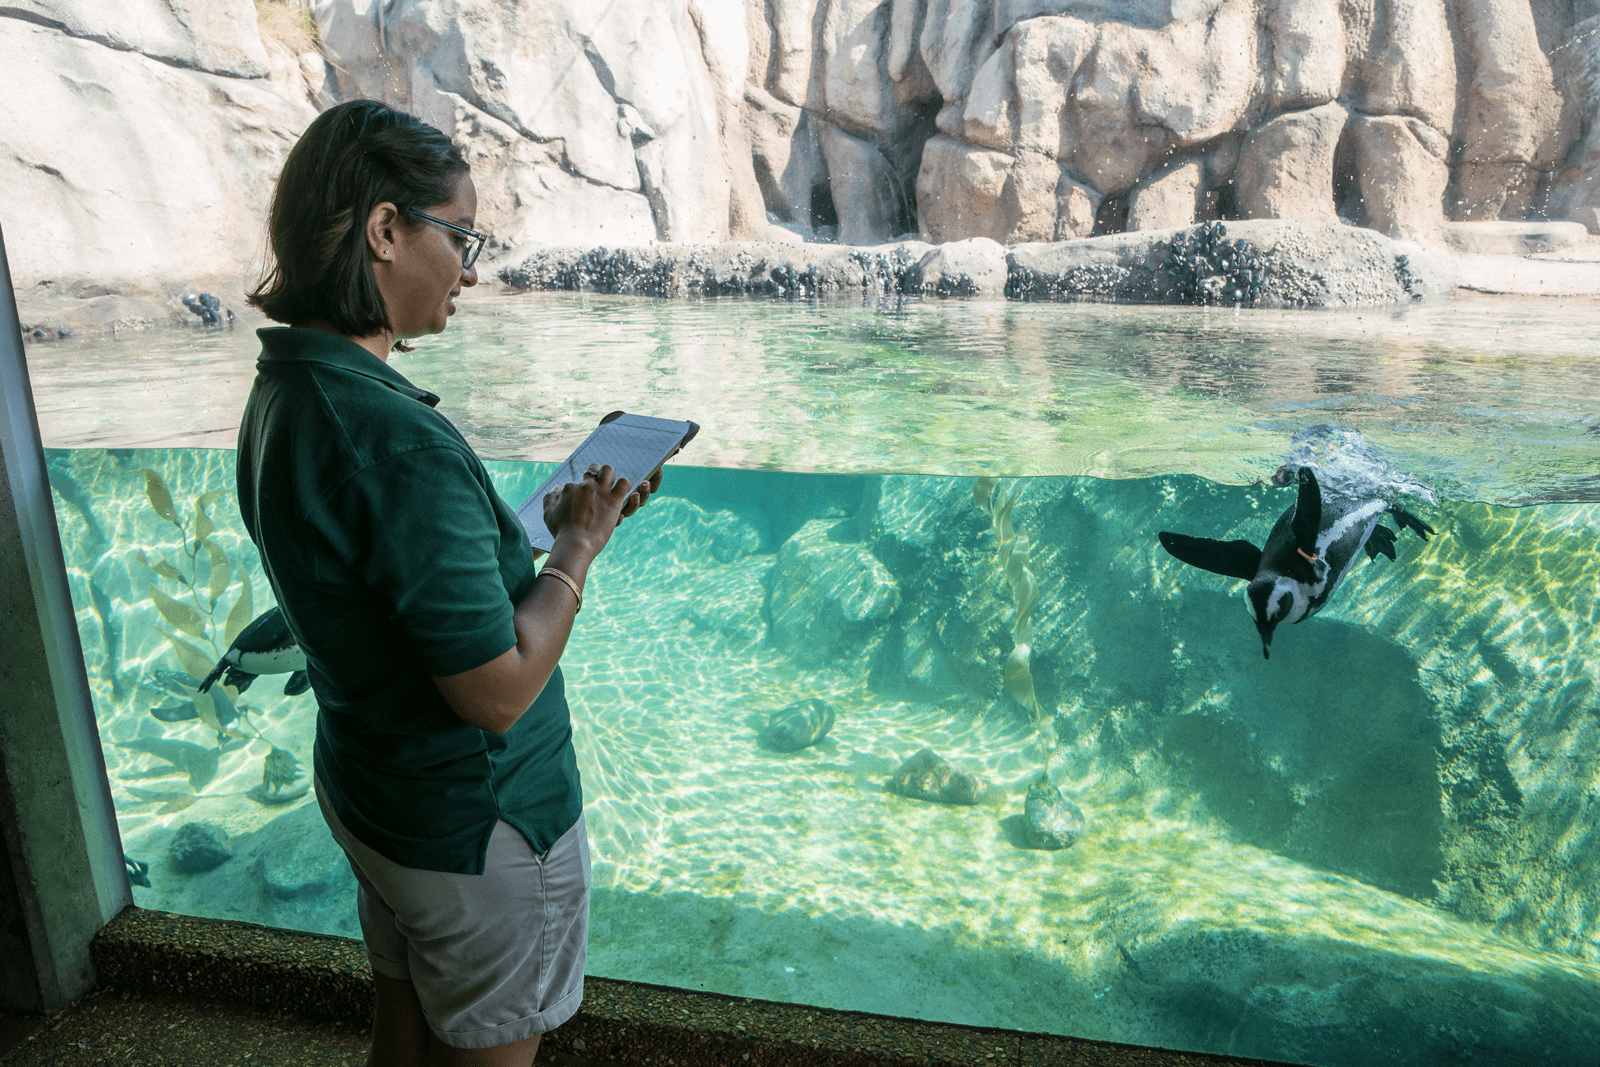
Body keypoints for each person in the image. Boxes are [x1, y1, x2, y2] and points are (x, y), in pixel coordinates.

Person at [237, 99, 656, 1067]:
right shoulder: (390, 438)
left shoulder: (286, 393)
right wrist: (575, 550)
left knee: (402, 1037)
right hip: (475, 832)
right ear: (386, 229)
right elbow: (498, 689)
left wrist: (543, 538)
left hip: (375, 799)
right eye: (460, 235)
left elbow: (393, 581)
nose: (470, 267)